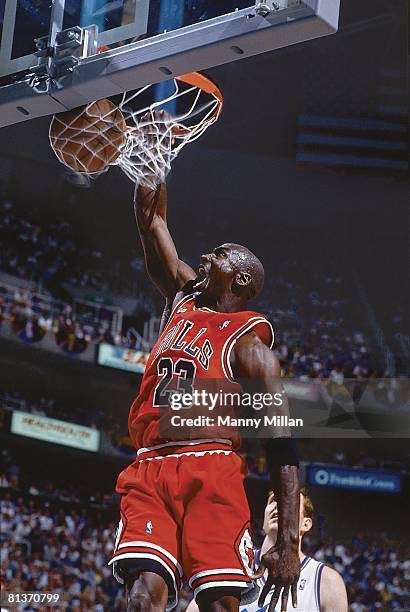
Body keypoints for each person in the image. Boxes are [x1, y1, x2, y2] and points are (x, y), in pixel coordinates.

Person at [109, 114, 300, 612]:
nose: (207, 256)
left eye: (219, 255)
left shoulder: (252, 347)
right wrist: (151, 155)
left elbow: (283, 443)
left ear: (239, 281)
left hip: (212, 467)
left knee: (218, 603)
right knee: (142, 595)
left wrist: (288, 541)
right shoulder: (182, 298)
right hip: (150, 464)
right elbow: (153, 223)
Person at [187, 489, 348, 612]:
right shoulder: (230, 566)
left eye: (289, 503)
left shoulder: (326, 581)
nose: (279, 506)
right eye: (273, 501)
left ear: (306, 524)